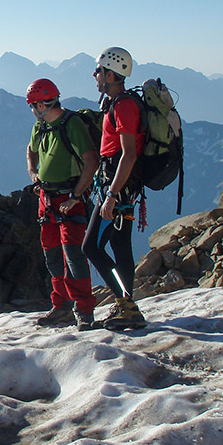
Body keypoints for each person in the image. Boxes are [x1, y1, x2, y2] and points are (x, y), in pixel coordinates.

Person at [82, 47, 147, 330]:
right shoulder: (117, 103)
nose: (95, 75)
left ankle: (126, 305)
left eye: (98, 71)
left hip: (117, 190)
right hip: (123, 190)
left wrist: (110, 196)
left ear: (110, 74)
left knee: (91, 247)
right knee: (121, 247)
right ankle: (127, 308)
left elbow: (128, 154)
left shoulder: (123, 106)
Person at [26, 79, 99, 330]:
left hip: (69, 200)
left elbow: (91, 160)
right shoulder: (41, 126)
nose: (32, 110)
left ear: (41, 105)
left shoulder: (72, 124)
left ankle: (84, 310)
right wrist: (33, 172)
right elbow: (31, 150)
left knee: (74, 255)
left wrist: (76, 196)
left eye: (33, 105)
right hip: (47, 199)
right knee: (53, 255)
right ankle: (62, 306)